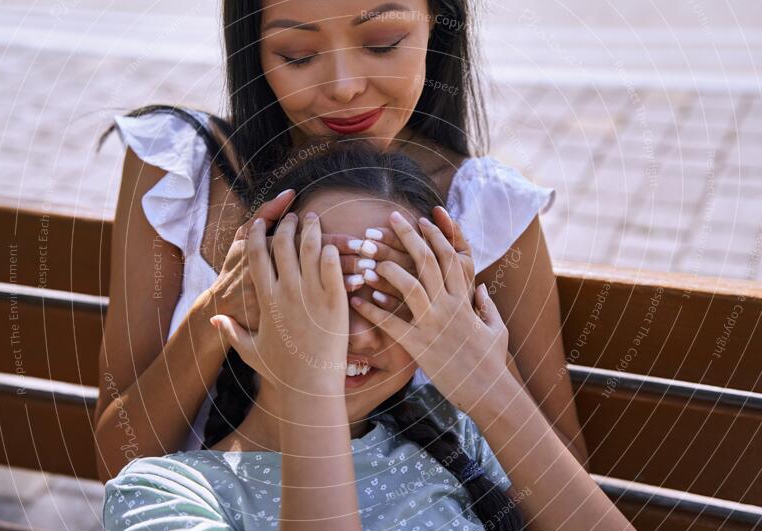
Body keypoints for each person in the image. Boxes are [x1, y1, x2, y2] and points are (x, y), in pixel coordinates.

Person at [94, 0, 589, 482]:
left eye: (382, 43)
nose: (345, 88)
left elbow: (563, 491)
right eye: (298, 55)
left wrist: (476, 365)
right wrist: (215, 316)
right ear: (253, 47)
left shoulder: (486, 209)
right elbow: (116, 463)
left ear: (435, 23)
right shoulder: (183, 173)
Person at [102, 143, 632, 531]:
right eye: (319, 292)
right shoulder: (167, 494)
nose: (353, 335)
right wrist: (311, 385)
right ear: (247, 295)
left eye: (391, 301)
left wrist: (488, 381)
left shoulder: (464, 440)